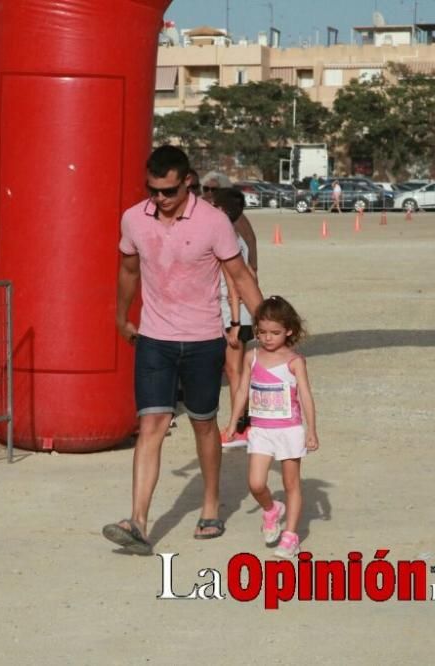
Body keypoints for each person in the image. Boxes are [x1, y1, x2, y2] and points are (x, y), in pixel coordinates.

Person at [102, 146, 263, 555]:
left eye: (168, 191)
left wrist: (267, 323)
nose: (160, 199)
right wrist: (121, 316)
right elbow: (127, 269)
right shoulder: (134, 219)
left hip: (203, 339)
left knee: (203, 424)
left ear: (187, 181)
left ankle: (210, 506)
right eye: (153, 190)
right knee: (152, 424)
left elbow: (239, 275)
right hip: (155, 339)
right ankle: (138, 521)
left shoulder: (213, 222)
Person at [223, 295, 319, 559]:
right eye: (262, 332)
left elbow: (306, 396)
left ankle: (290, 536)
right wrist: (233, 423)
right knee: (255, 483)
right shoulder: (251, 357)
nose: (268, 338)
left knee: (291, 483)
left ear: (289, 330)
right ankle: (271, 509)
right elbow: (242, 389)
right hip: (261, 431)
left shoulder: (295, 361)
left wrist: (311, 430)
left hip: (290, 430)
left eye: (275, 333)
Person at [212, 188, 255, 448]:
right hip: (241, 314)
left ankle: (237, 427)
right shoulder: (238, 238)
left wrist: (235, 323)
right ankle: (242, 424)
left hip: (234, 315)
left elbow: (233, 285)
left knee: (235, 371)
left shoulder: (225, 240)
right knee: (238, 371)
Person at [199, 171, 258, 273]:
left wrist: (253, 269)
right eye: (206, 189)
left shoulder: (235, 214)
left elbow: (250, 239)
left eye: (214, 190)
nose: (209, 193)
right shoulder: (198, 207)